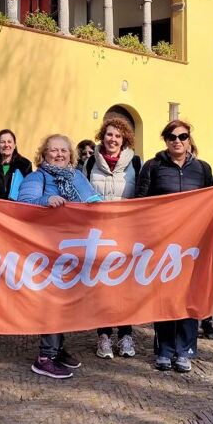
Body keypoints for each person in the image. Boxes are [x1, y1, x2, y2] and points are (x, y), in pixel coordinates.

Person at [136, 120, 213, 373]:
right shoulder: (153, 166)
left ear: (189, 139)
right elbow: (140, 203)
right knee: (165, 296)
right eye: (171, 136)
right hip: (163, 244)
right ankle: (165, 349)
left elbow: (211, 200)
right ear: (165, 140)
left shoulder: (202, 168)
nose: (177, 141)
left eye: (182, 136)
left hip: (193, 245)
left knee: (189, 295)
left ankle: (184, 350)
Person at [18, 134, 102, 379]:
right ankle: (45, 356)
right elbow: (23, 205)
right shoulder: (37, 177)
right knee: (52, 303)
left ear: (71, 154)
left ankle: (57, 348)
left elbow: (94, 201)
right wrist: (47, 199)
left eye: (64, 150)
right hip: (47, 252)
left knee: (66, 303)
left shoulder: (77, 177)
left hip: (74, 251)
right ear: (44, 154)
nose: (59, 154)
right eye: (53, 150)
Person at [85, 116, 141, 360]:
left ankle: (126, 334)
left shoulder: (136, 163)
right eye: (109, 134)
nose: (113, 139)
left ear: (124, 139)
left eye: (118, 135)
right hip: (98, 234)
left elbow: (143, 197)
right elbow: (82, 194)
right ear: (102, 136)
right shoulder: (89, 164)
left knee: (124, 286)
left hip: (125, 233)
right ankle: (104, 335)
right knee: (103, 286)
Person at [0, 129, 32, 199]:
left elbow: (28, 192)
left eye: (9, 142)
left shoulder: (25, 165)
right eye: (2, 142)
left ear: (14, 145)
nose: (6, 145)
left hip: (14, 208)